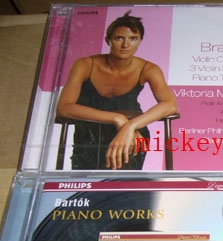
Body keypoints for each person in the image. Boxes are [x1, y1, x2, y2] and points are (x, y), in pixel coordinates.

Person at [57, 11, 178, 170]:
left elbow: (170, 105)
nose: (126, 45)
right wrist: (118, 119)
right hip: (90, 132)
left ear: (140, 41)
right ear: (108, 40)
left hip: (132, 131)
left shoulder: (149, 69)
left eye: (133, 39)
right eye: (119, 38)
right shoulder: (85, 65)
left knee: (125, 173)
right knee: (88, 180)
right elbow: (64, 108)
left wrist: (130, 126)